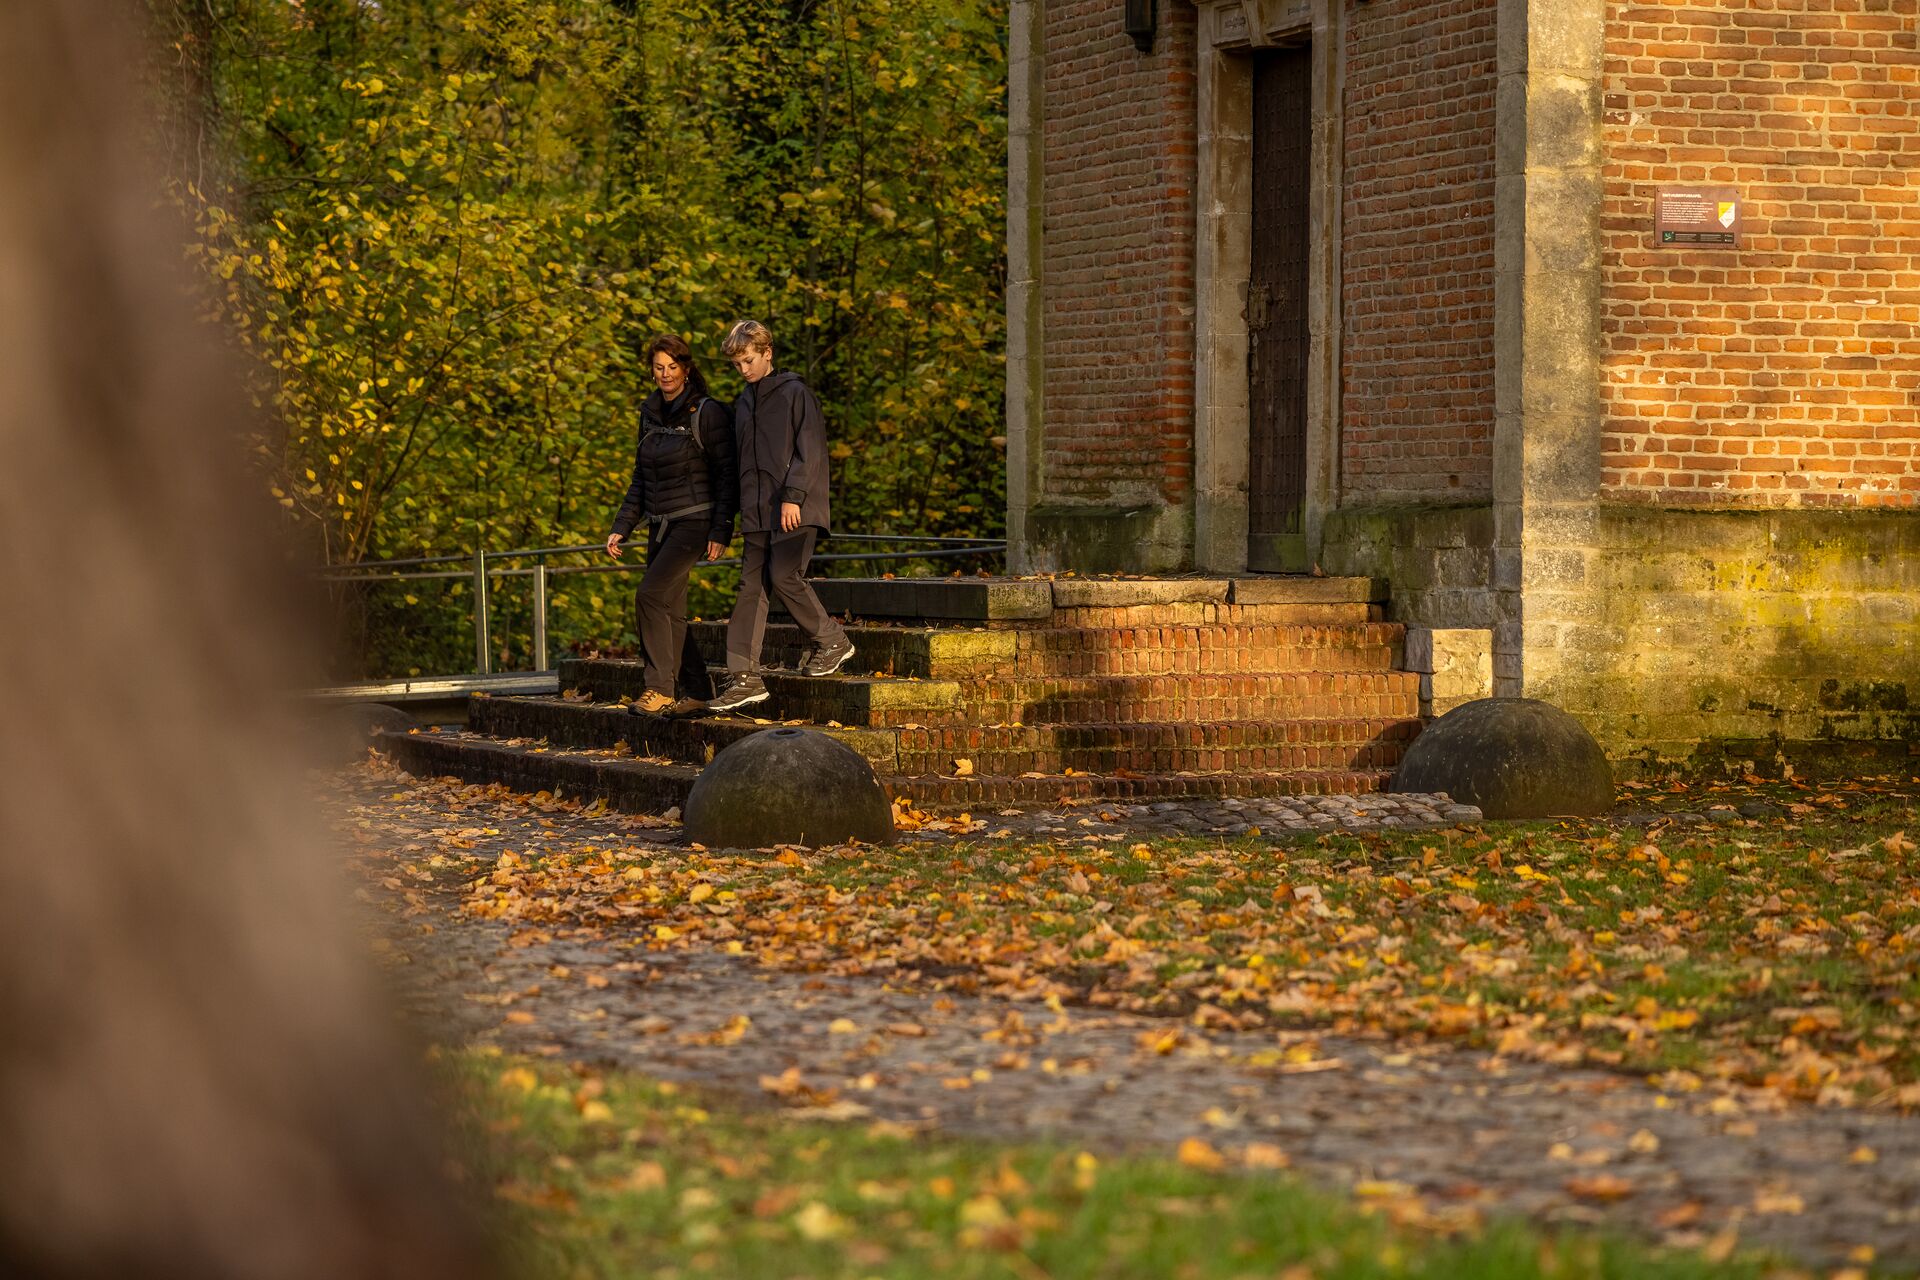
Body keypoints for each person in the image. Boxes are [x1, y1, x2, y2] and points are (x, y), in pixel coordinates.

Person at [704, 319, 854, 712]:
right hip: (756, 512)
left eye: (748, 361)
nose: (743, 370)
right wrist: (724, 523)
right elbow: (736, 467)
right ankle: (743, 677)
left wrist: (793, 497)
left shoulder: (795, 393)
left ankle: (833, 641)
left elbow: (811, 449)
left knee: (784, 575)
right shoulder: (744, 402)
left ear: (767, 353)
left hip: (794, 509)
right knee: (749, 588)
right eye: (736, 364)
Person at [605, 334, 738, 715]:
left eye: (672, 367)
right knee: (672, 611)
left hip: (694, 522)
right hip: (659, 524)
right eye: (659, 367)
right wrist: (622, 525)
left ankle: (659, 687)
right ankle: (697, 689)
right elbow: (639, 477)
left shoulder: (706, 412)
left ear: (687, 369)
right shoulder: (648, 413)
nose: (665, 374)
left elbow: (727, 474)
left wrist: (721, 529)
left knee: (649, 595)